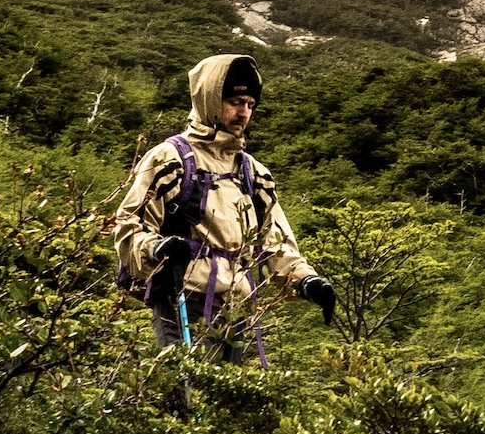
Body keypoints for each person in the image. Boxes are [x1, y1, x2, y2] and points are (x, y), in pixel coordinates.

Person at [115, 53, 335, 363]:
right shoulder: (170, 159)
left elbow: (275, 243)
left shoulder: (253, 173)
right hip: (182, 295)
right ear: (209, 99)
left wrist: (306, 281)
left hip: (237, 305)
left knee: (225, 402)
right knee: (186, 399)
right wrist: (156, 247)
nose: (243, 112)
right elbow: (128, 225)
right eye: (234, 102)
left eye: (250, 105)